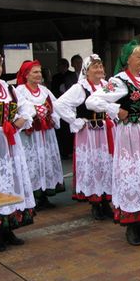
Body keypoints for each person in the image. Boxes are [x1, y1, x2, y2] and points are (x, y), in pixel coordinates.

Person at [86, 40, 140, 245]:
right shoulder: (119, 81)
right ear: (127, 59)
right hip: (130, 135)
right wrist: (117, 110)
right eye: (139, 56)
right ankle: (131, 226)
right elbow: (92, 100)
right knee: (132, 174)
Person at [0, 49, 36, 252]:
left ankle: (9, 229)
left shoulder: (8, 87)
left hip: (10, 141)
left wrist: (21, 120)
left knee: (11, 182)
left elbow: (27, 107)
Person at [55, 54, 115, 220]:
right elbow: (59, 104)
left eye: (101, 66)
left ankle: (105, 200)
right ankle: (95, 203)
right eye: (95, 67)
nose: (99, 70)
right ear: (86, 71)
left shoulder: (107, 85)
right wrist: (74, 120)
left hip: (105, 131)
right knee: (93, 164)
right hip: (89, 133)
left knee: (106, 164)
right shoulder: (80, 87)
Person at [15, 60, 64, 210]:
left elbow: (55, 106)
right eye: (35, 72)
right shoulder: (19, 91)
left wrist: (51, 115)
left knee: (46, 160)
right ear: (26, 74)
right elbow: (17, 110)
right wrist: (33, 113)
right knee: (32, 162)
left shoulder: (44, 90)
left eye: (39, 72)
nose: (38, 75)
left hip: (45, 133)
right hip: (30, 135)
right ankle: (33, 196)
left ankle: (43, 195)